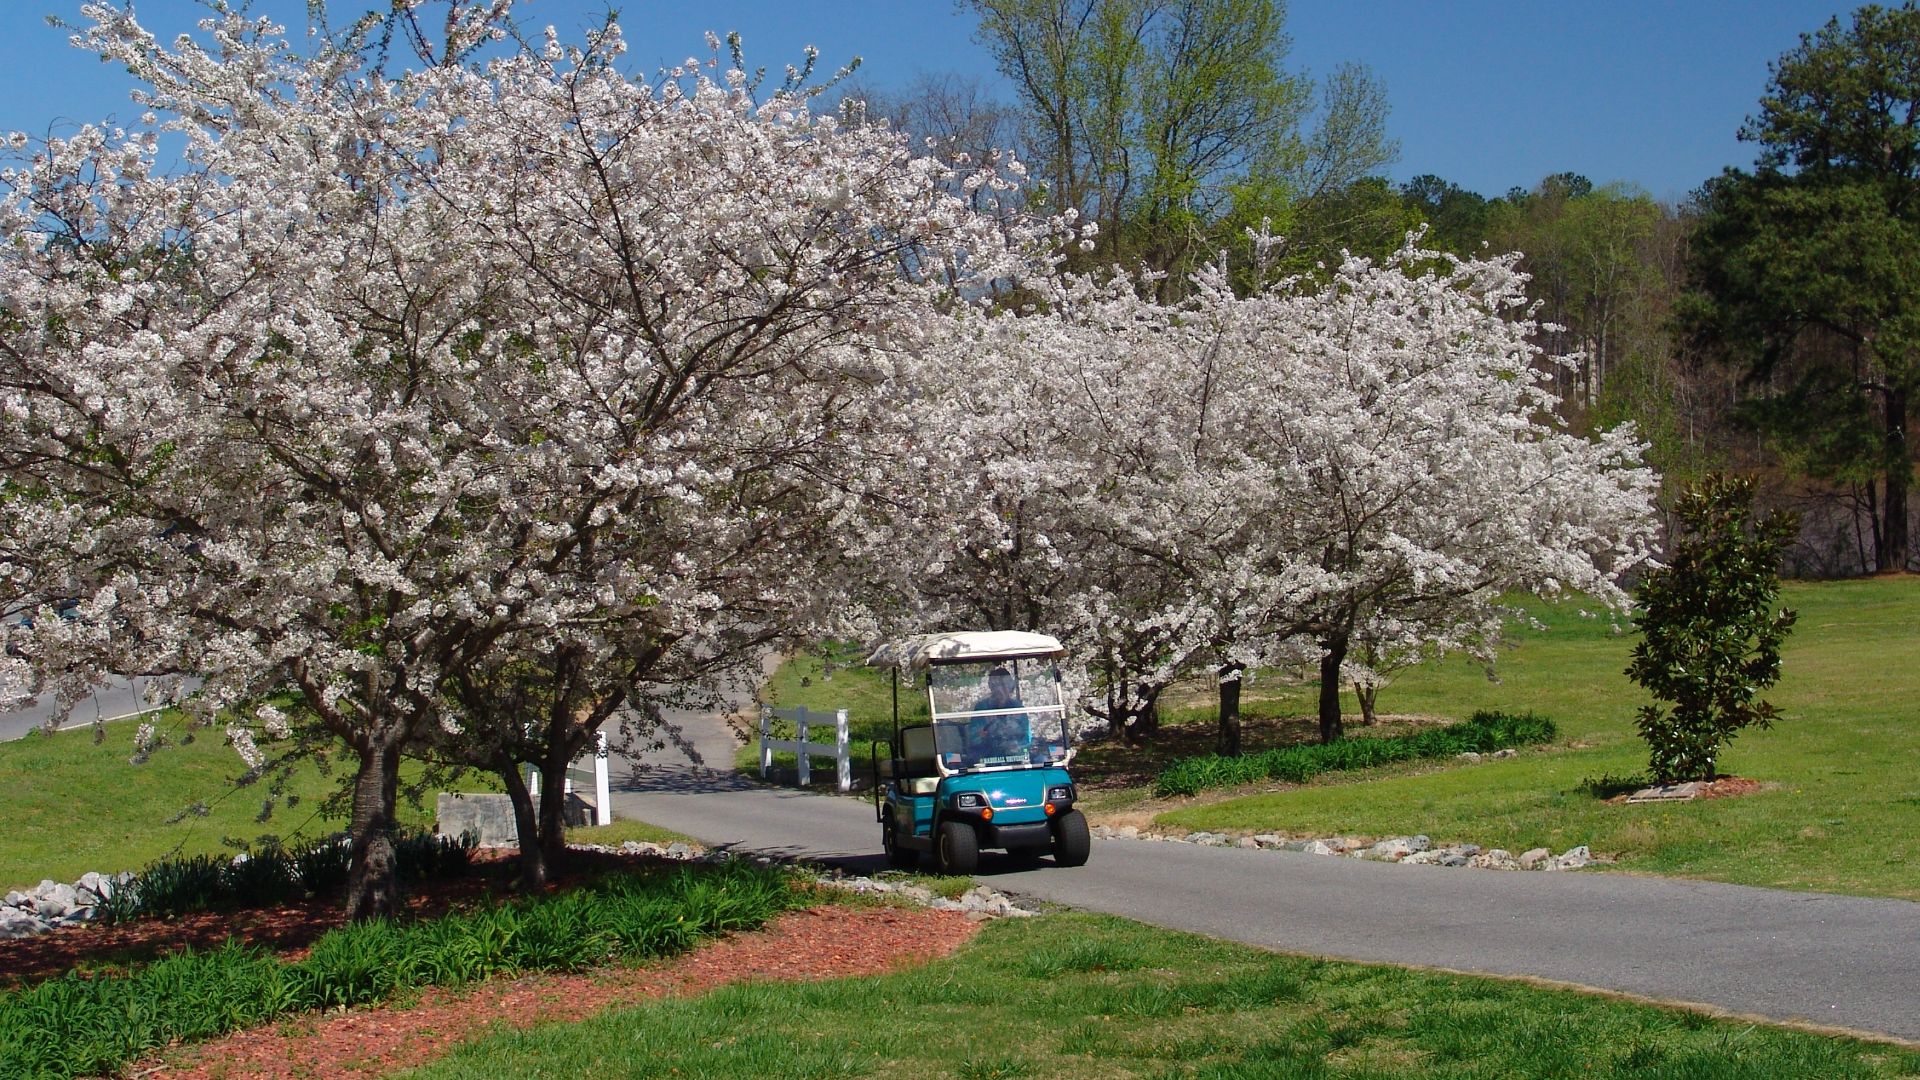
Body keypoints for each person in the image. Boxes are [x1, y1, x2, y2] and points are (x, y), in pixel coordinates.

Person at [966, 666, 1029, 762]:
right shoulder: (982, 708)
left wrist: (1017, 744)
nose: (1000, 690)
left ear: (1010, 686)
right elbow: (973, 738)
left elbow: (1027, 737)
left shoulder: (1017, 707)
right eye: (996, 685)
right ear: (991, 687)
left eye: (1004, 685)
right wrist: (985, 733)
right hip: (988, 758)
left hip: (1016, 757)